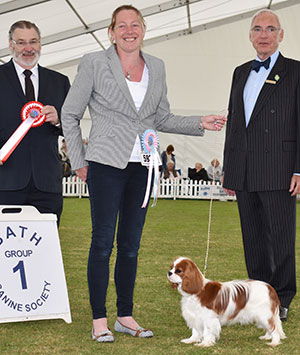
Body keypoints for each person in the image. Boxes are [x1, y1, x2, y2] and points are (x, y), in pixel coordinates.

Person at [61, 5, 226, 343]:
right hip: (106, 166)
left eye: (135, 24)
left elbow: (160, 118)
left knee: (131, 247)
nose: (129, 30)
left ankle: (125, 315)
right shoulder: (94, 63)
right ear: (111, 32)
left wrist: (199, 122)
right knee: (102, 243)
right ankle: (99, 320)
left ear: (143, 30)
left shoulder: (158, 67)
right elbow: (70, 112)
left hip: (143, 168)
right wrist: (79, 160)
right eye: (121, 25)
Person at [222, 9, 300, 322]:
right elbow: (235, 123)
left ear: (281, 35)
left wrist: (299, 169)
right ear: (250, 35)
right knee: (252, 237)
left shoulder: (295, 71)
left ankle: (281, 297)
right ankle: (257, 295)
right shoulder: (240, 72)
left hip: (280, 169)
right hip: (245, 170)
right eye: (258, 29)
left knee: (280, 238)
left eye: (270, 29)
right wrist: (230, 169)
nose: (264, 34)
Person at [0, 20, 70, 224]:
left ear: (40, 44)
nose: (28, 48)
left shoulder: (60, 81)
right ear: (11, 45)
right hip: (6, 182)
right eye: (21, 42)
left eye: (33, 42)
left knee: (46, 248)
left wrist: (59, 121)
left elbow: (71, 127)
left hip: (47, 184)